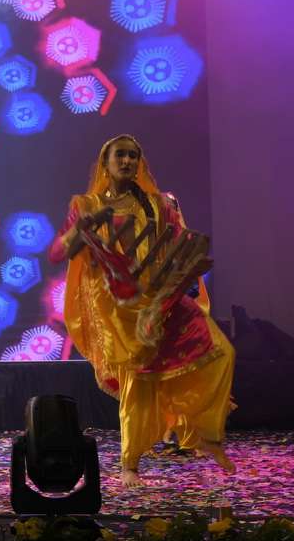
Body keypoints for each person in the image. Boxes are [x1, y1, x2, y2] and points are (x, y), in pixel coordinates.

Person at [50, 134, 235, 487]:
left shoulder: (158, 204)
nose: (127, 161)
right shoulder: (86, 204)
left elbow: (181, 246)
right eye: (120, 155)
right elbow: (58, 253)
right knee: (138, 383)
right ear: (105, 163)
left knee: (221, 351)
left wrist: (182, 281)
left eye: (133, 156)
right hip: (119, 308)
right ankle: (129, 464)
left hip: (160, 297)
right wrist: (80, 229)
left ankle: (207, 434)